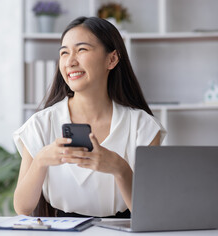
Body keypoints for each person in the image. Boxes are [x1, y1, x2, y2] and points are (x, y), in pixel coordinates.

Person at [13, 16, 166, 218]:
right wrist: (41, 160)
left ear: (111, 59)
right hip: (60, 233)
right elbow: (22, 208)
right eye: (64, 53)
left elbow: (149, 213)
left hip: (121, 232)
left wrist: (120, 169)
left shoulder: (143, 127)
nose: (70, 61)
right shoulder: (41, 124)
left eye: (81, 50)